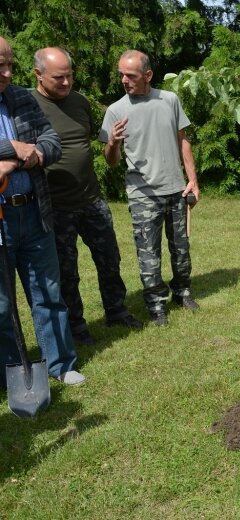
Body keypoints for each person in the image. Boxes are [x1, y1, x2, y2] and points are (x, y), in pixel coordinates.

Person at [32, 47, 143, 345]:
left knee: (109, 258)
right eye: (59, 78)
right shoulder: (29, 106)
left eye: (69, 75)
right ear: (38, 75)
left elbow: (94, 143)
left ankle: (117, 311)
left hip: (91, 198)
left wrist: (113, 145)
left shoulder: (79, 102)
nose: (67, 83)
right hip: (56, 206)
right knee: (67, 272)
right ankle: (77, 327)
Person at [0, 36, 85, 387]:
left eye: (9, 64)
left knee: (48, 293)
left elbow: (51, 142)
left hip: (34, 212)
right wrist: (13, 146)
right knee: (2, 305)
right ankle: (10, 373)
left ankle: (60, 364)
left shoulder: (21, 97)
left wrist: (22, 156)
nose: (7, 72)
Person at [98, 50, 200, 326]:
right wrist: (113, 143)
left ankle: (182, 292)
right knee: (148, 254)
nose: (124, 80)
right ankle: (156, 305)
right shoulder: (116, 110)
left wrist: (192, 179)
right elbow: (111, 162)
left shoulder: (169, 100)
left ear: (148, 75)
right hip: (142, 195)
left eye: (130, 75)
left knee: (181, 248)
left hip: (176, 189)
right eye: (121, 74)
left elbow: (183, 140)